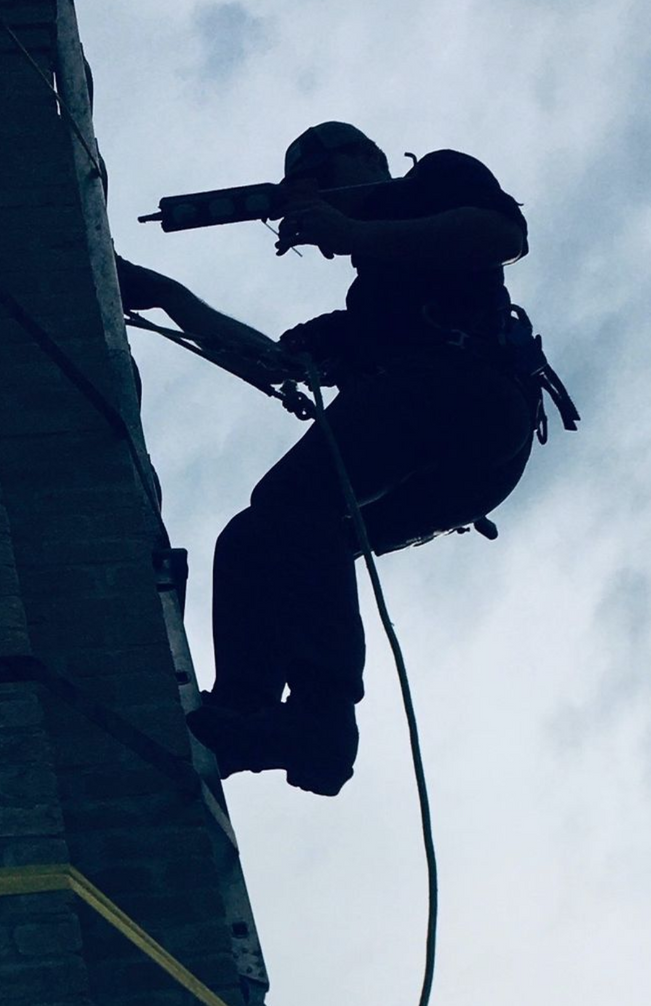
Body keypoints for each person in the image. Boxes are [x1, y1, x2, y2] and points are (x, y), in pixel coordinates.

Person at [117, 121, 553, 796]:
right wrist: (169, 297)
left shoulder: (436, 179)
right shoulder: (364, 315)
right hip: (463, 461)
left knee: (294, 507)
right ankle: (247, 712)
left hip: (468, 393)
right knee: (262, 537)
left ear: (361, 161)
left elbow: (501, 235)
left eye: (317, 186)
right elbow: (274, 360)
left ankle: (322, 722)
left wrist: (355, 232)